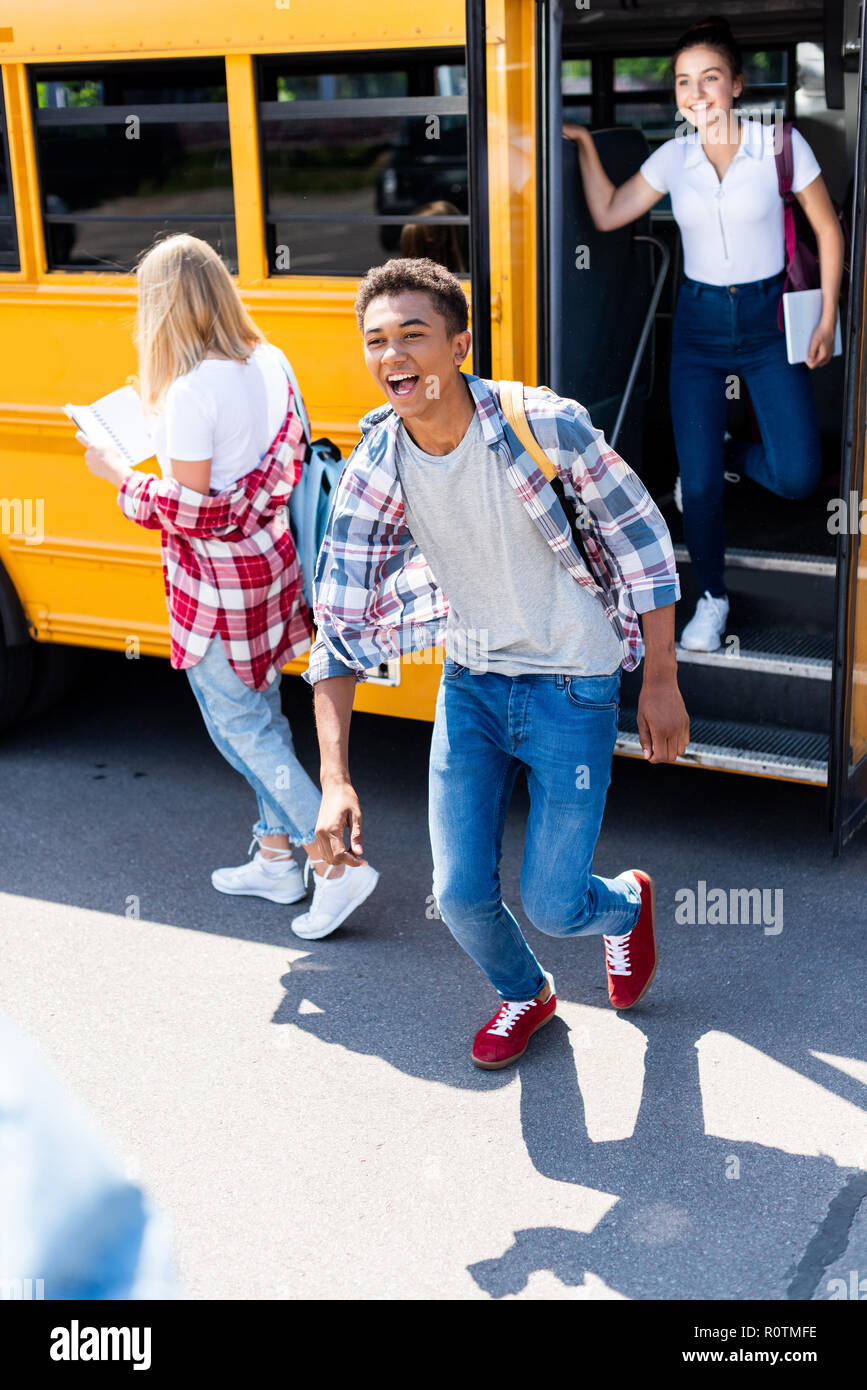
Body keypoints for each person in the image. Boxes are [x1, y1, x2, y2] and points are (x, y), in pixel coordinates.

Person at [304, 256, 689, 1070]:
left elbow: (644, 541)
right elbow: (336, 627)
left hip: (574, 684)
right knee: (459, 895)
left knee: (555, 902)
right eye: (375, 340)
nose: (391, 356)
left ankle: (621, 907)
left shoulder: (540, 426)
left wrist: (658, 676)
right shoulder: (379, 465)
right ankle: (527, 994)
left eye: (413, 335)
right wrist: (335, 779)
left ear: (459, 345)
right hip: (472, 684)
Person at [75, 233, 378, 940]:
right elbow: (278, 460)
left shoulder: (189, 390)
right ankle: (277, 859)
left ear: (163, 309)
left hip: (217, 587)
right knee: (261, 711)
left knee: (241, 727)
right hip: (272, 565)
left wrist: (118, 475)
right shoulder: (269, 359)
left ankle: (333, 862)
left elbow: (196, 511)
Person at [564, 15, 845, 651]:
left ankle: (716, 457)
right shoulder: (673, 158)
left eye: (710, 79)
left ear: (737, 86)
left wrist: (827, 316)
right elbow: (609, 213)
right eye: (684, 82)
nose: (696, 94)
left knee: (799, 473)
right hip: (698, 324)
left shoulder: (780, 146)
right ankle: (712, 599)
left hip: (769, 322)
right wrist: (583, 142)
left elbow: (829, 230)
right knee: (701, 487)